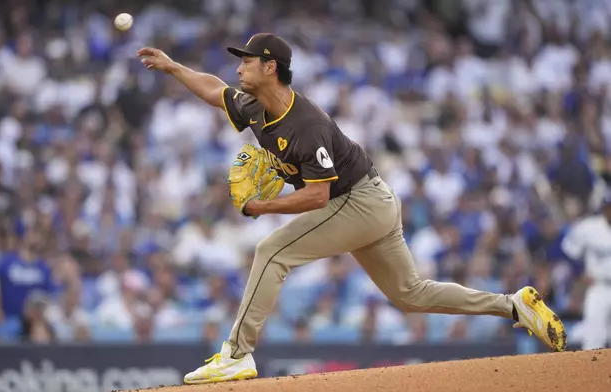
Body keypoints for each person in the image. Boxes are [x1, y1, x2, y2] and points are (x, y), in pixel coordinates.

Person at [137, 33, 567, 385]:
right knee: (410, 294)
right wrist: (173, 66)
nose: (239, 67)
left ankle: (236, 354)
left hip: (357, 200)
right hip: (371, 201)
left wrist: (263, 206)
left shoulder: (306, 123)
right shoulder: (255, 105)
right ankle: (514, 305)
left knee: (272, 251)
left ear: (271, 67)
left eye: (247, 60)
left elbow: (318, 197)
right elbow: (216, 91)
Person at [561, 190, 611, 350]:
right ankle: (590, 373)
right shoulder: (589, 228)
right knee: (593, 338)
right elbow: (568, 250)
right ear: (604, 208)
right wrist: (579, 273)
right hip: (599, 287)